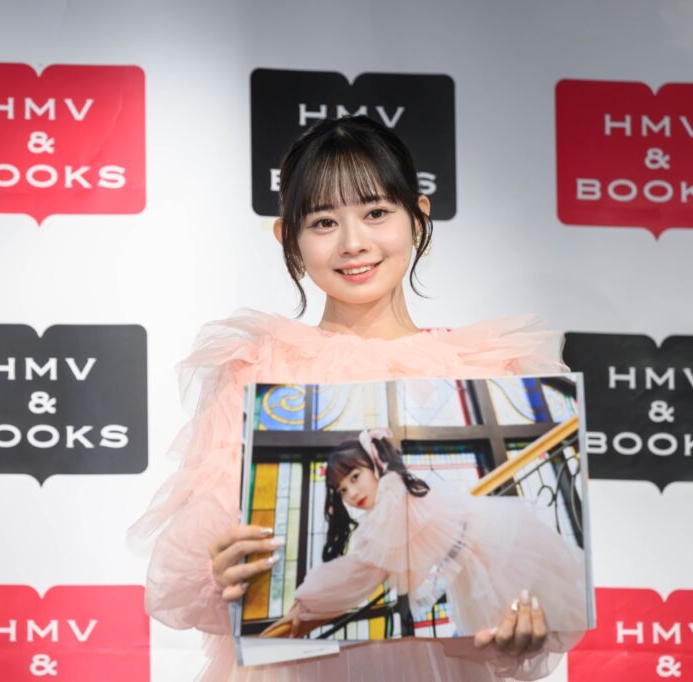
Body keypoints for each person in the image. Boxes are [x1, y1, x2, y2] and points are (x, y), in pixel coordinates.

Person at [127, 115, 581, 680]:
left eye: (376, 213)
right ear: (287, 237)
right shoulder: (257, 370)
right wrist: (221, 570)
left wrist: (517, 631)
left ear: (418, 215)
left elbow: (515, 601)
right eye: (323, 222)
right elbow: (204, 555)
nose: (353, 243)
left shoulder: (488, 372)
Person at [264, 429, 587, 644]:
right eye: (342, 490)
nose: (351, 492)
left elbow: (363, 570)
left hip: (490, 547)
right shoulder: (384, 509)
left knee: (543, 611)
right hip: (468, 563)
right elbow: (364, 568)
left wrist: (310, 602)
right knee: (516, 630)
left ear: (375, 467)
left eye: (355, 476)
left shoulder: (393, 494)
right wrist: (309, 604)